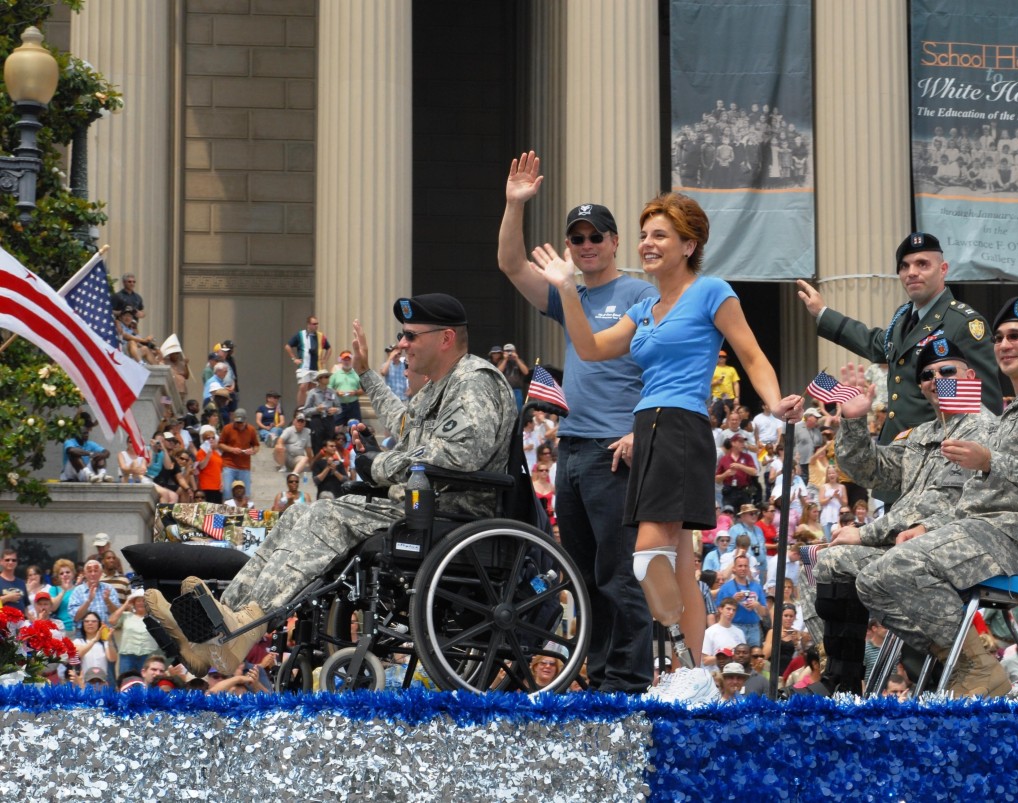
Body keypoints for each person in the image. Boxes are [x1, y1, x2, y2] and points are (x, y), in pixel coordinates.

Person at [147, 293, 516, 675]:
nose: (402, 344)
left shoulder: (476, 382)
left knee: (324, 517)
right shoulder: (444, 385)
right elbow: (408, 429)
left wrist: (380, 465)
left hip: (454, 512)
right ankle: (218, 625)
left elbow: (460, 455)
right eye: (402, 335)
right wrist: (366, 375)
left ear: (445, 338)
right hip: (423, 504)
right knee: (296, 516)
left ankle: (242, 629)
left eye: (410, 336)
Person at [531, 191, 800, 705]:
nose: (647, 244)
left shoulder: (711, 291)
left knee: (645, 556)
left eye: (659, 235)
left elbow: (751, 353)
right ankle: (698, 670)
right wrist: (567, 290)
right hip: (646, 428)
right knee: (676, 560)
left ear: (688, 243)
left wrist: (773, 402)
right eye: (645, 234)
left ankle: (685, 666)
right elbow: (590, 349)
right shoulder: (646, 308)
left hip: (681, 428)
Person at [854, 297, 1018, 698]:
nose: (1004, 344)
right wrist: (931, 527)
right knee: (872, 579)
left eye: (1016, 336)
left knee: (893, 570)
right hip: (985, 530)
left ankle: (977, 670)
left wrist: (990, 460)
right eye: (1000, 337)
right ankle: (976, 666)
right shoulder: (1014, 410)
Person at [498, 152, 657, 694]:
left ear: (615, 242)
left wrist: (643, 430)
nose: (586, 246)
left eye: (596, 237)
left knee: (620, 572)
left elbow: (667, 367)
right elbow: (512, 265)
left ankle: (629, 679)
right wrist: (514, 205)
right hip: (572, 449)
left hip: (619, 448)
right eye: (577, 239)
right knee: (584, 574)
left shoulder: (641, 294)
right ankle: (599, 671)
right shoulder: (571, 293)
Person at [810, 336, 998, 694]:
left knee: (850, 558)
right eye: (927, 375)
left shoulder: (985, 429)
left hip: (960, 549)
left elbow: (938, 503)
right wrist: (854, 421)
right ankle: (842, 682)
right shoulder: (922, 434)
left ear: (970, 376)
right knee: (828, 561)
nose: (936, 379)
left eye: (947, 370)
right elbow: (871, 470)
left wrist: (865, 533)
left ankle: (964, 666)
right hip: (912, 544)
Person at [794, 233, 1002, 503]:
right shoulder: (903, 318)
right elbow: (874, 342)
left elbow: (983, 402)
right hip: (897, 463)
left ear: (943, 269)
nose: (911, 273)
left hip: (940, 473)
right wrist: (824, 313)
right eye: (904, 267)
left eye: (922, 264)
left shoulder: (961, 323)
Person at [285, 315, 331, 411]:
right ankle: (300, 408)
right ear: (308, 325)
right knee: (303, 386)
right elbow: (288, 346)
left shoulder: (320, 336)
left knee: (313, 389)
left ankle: (310, 408)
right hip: (304, 367)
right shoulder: (300, 335)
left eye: (317, 324)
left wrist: (325, 359)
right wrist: (294, 359)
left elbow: (329, 348)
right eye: (314, 324)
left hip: (316, 367)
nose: (316, 326)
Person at [108, 589, 159, 675]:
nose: (141, 603)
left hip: (148, 656)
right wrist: (125, 604)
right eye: (138, 601)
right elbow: (112, 620)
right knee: (126, 681)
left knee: (147, 684)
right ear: (134, 603)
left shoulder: (155, 619)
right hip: (127, 656)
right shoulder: (126, 616)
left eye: (144, 601)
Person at [217, 408, 259, 501]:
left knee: (246, 493)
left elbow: (256, 445)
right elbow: (220, 444)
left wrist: (252, 451)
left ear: (245, 420)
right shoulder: (227, 428)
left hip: (244, 466)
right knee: (227, 491)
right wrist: (231, 449)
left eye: (241, 423)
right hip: (229, 464)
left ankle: (244, 512)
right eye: (237, 422)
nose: (239, 425)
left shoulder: (251, 430)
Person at [61, 413, 113, 483]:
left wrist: (101, 455)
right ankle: (89, 475)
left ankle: (102, 475)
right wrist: (90, 453)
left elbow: (107, 452)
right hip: (70, 473)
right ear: (77, 432)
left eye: (87, 433)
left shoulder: (90, 443)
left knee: (100, 455)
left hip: (82, 473)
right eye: (84, 433)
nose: (87, 434)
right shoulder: (69, 442)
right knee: (74, 455)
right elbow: (71, 450)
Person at [329, 350, 364, 426]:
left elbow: (363, 390)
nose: (346, 362)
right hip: (339, 405)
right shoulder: (335, 374)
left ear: (351, 360)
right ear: (341, 361)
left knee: (356, 427)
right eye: (345, 360)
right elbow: (329, 389)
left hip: (353, 405)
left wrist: (355, 392)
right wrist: (336, 393)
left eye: (348, 359)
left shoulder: (357, 374)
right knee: (336, 428)